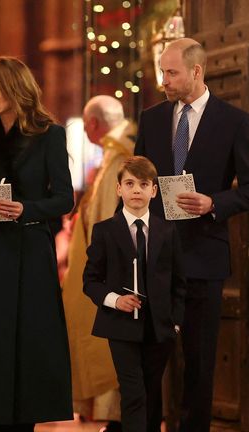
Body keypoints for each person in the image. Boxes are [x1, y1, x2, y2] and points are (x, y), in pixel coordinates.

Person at [134, 38, 249, 432]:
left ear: (196, 71)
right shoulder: (153, 119)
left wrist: (214, 203)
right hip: (154, 259)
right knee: (147, 362)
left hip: (203, 257)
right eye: (162, 71)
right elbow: (137, 180)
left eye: (171, 72)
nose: (164, 81)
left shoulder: (234, 121)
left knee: (198, 364)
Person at [0, 56, 74, 431]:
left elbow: (65, 199)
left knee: (30, 343)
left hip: (32, 250)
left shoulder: (49, 134)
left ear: (14, 88)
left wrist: (25, 208)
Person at [83, 156, 186, 432]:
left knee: (152, 393)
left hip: (159, 327)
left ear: (154, 190)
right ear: (119, 189)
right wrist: (116, 300)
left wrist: (174, 322)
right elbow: (90, 281)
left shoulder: (167, 230)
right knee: (133, 392)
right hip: (120, 326)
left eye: (143, 184)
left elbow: (178, 281)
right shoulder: (104, 231)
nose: (136, 190)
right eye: (129, 183)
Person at [62, 95, 136, 431]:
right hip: (103, 264)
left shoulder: (121, 153)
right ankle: (109, 415)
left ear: (92, 124)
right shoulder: (114, 152)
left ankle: (116, 416)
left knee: (109, 341)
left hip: (112, 269)